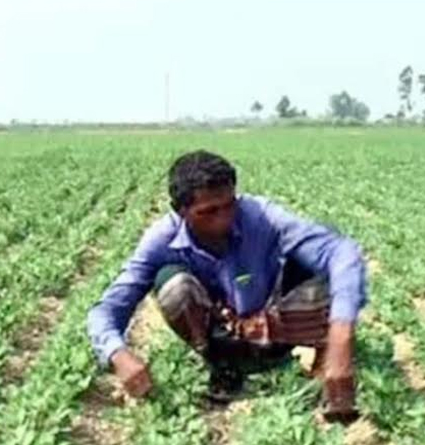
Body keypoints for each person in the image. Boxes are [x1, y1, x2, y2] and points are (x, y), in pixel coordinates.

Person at [86, 150, 366, 422]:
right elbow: (107, 309)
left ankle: (322, 362)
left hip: (273, 318)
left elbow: (341, 253)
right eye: (208, 211)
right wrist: (118, 354)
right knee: (174, 285)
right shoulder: (161, 239)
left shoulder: (260, 215)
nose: (224, 217)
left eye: (229, 205)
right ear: (181, 211)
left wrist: (341, 338)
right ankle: (225, 366)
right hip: (220, 330)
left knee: (323, 255)